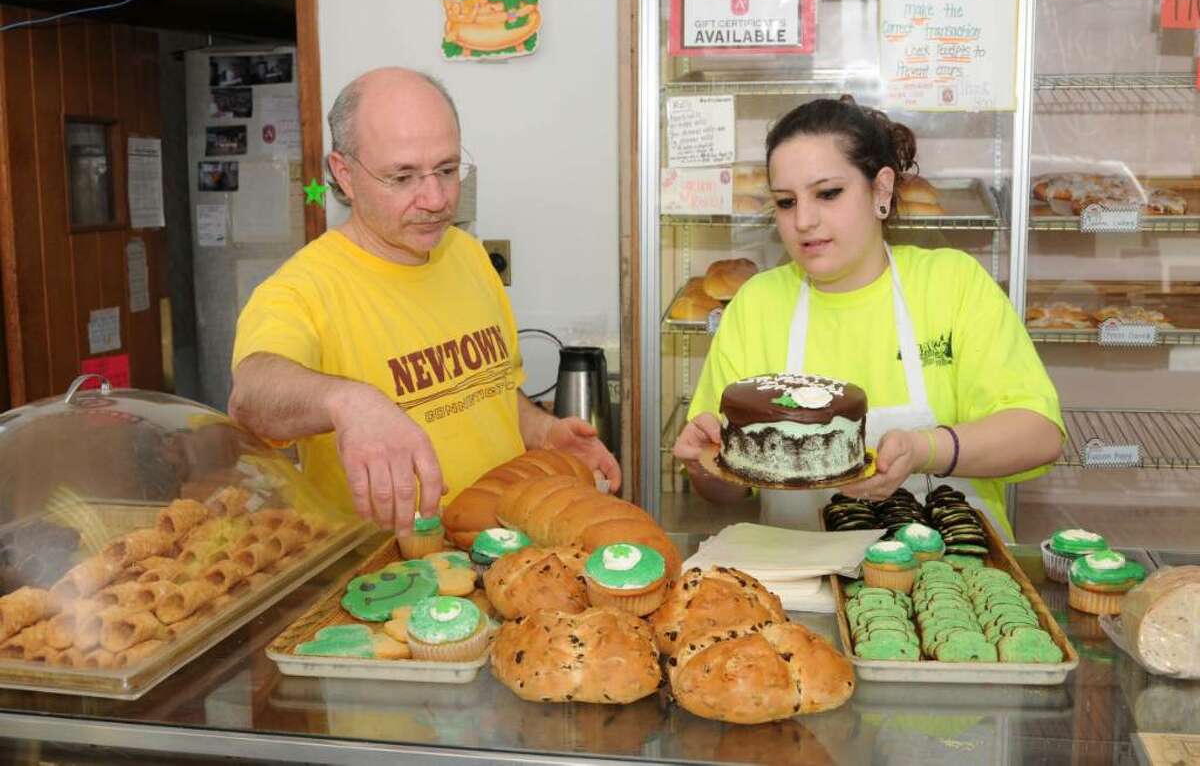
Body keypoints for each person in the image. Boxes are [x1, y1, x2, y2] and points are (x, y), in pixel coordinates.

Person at [229, 68, 619, 535]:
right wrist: (349, 401)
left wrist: (543, 434)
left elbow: (492, 393)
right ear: (345, 174)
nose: (435, 199)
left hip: (501, 552)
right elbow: (251, 396)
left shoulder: (468, 256)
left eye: (448, 170)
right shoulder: (300, 290)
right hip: (385, 583)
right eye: (403, 176)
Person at [672, 97, 1063, 538]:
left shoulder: (952, 283)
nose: (803, 220)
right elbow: (728, 491)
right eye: (785, 201)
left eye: (828, 193)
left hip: (950, 575)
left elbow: (1039, 435)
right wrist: (703, 467)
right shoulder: (757, 304)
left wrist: (922, 450)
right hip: (804, 580)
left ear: (880, 189)